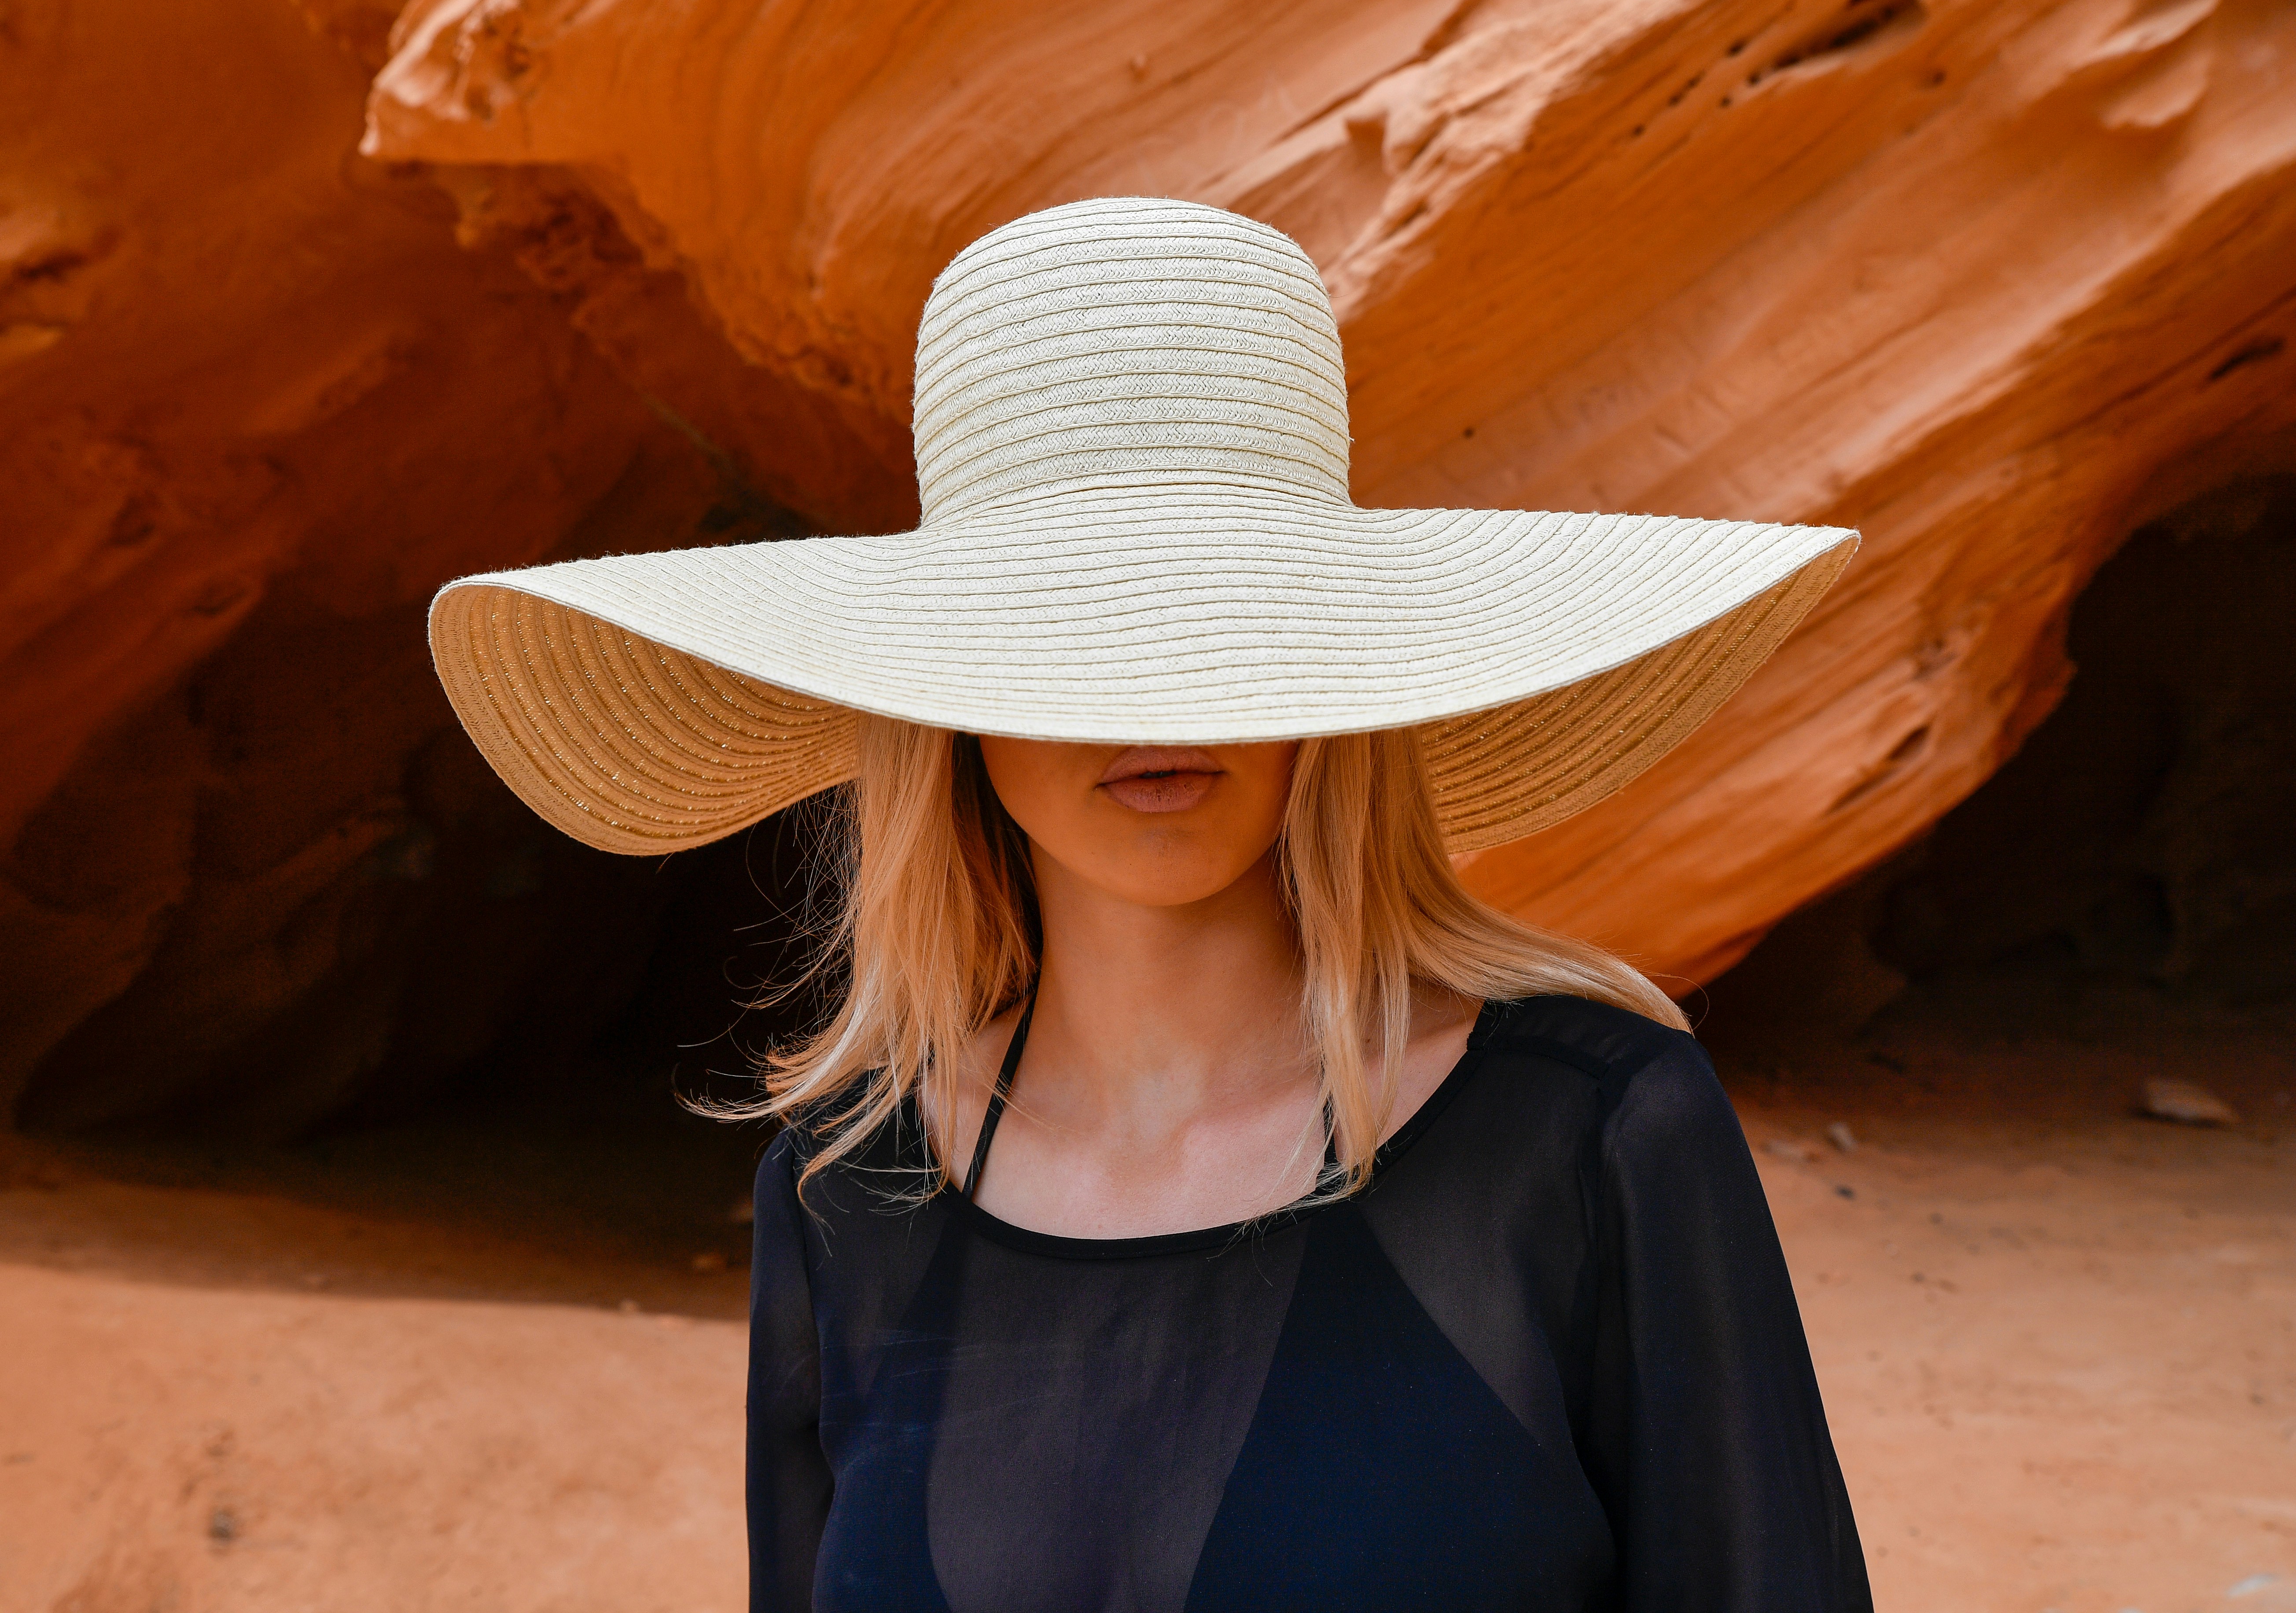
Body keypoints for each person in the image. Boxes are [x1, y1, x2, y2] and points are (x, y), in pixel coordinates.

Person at [427, 196, 1871, 1610]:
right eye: (1074, 629)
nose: (1154, 699)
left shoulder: (1595, 1139)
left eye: (1224, 620)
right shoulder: (844, 1193)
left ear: (1335, 677)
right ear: (946, 710)